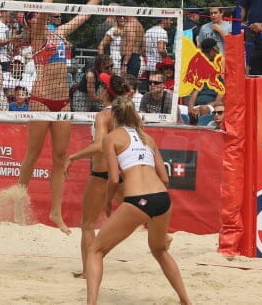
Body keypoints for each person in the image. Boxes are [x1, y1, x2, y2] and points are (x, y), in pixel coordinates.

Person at [16, 0, 114, 234]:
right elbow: (45, 8)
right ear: (31, 21)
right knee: (32, 155)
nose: (41, 17)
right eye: (36, 16)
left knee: (60, 158)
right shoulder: (37, 36)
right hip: (41, 100)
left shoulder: (58, 35)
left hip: (63, 102)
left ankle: (55, 213)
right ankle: (18, 205)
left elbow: (84, 14)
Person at [82, 96, 191, 305]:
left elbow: (113, 179)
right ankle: (186, 301)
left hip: (138, 200)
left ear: (114, 116)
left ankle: (91, 303)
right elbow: (165, 178)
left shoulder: (111, 138)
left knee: (95, 250)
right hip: (163, 200)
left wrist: (107, 202)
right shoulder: (147, 138)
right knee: (160, 250)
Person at [64, 75, 133, 279]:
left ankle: (87, 271)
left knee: (87, 224)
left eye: (103, 86)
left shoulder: (104, 115)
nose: (100, 88)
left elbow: (100, 146)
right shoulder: (130, 114)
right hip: (125, 171)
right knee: (140, 209)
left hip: (103, 175)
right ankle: (161, 235)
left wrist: (73, 156)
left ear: (106, 93)